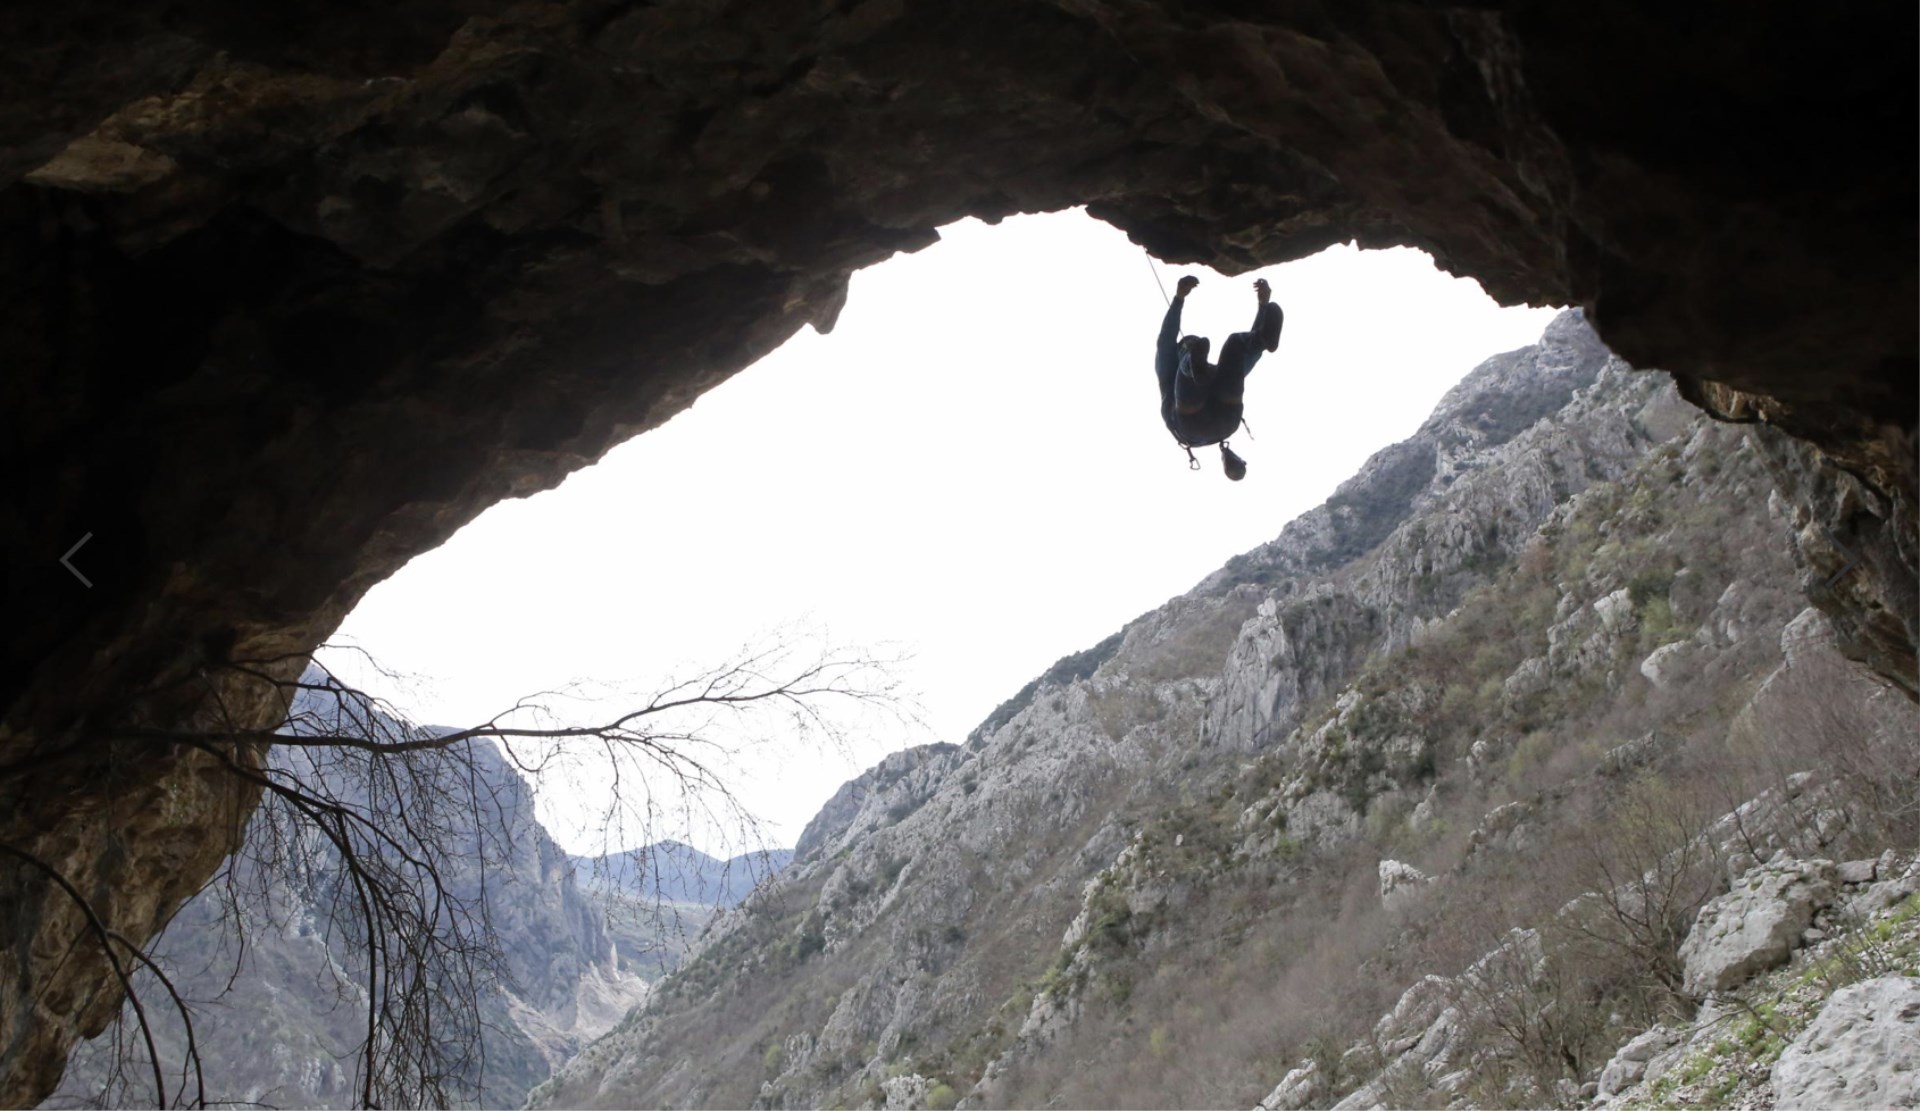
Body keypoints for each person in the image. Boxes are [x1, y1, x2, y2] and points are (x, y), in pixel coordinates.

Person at [1154, 275, 1283, 480]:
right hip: (1194, 423)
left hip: (1222, 421)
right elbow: (1166, 341)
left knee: (1234, 345)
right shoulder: (1213, 373)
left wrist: (1179, 298)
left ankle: (1193, 366)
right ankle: (1194, 364)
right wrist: (1263, 307)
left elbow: (1166, 342)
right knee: (1234, 346)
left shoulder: (1178, 370)